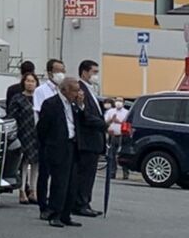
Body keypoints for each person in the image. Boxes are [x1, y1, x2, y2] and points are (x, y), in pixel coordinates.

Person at [36, 77, 85, 228]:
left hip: (73, 145)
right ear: (65, 90)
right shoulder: (51, 104)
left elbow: (83, 121)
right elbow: (42, 128)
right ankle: (54, 213)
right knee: (59, 183)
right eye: (75, 91)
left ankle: (66, 214)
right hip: (57, 147)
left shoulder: (74, 105)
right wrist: (49, 145)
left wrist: (80, 105)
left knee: (72, 183)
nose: (77, 94)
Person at [32, 57, 65, 219]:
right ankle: (42, 206)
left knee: (58, 173)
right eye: (58, 71)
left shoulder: (63, 90)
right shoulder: (41, 91)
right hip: (46, 136)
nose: (61, 74)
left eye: (63, 71)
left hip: (61, 137)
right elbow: (38, 114)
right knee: (44, 173)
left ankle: (55, 204)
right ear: (50, 72)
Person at [73, 59, 104, 217]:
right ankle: (80, 203)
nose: (96, 75)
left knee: (90, 174)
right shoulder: (80, 89)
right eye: (94, 72)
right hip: (86, 139)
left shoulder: (91, 89)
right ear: (85, 72)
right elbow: (85, 115)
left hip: (94, 140)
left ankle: (86, 201)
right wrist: (104, 124)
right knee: (84, 174)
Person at [8, 72, 41, 204]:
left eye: (33, 81)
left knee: (36, 162)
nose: (30, 83)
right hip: (23, 133)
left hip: (37, 133)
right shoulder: (18, 98)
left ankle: (33, 190)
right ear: (23, 82)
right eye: (28, 81)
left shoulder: (39, 98)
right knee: (23, 162)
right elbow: (12, 116)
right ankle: (22, 190)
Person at [106, 96, 131, 180]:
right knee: (112, 155)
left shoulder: (126, 112)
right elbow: (105, 122)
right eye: (117, 101)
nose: (118, 103)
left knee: (123, 155)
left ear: (123, 103)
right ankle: (112, 172)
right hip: (112, 136)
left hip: (123, 136)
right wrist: (111, 120)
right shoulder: (110, 111)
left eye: (120, 101)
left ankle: (125, 172)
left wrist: (119, 122)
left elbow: (128, 124)